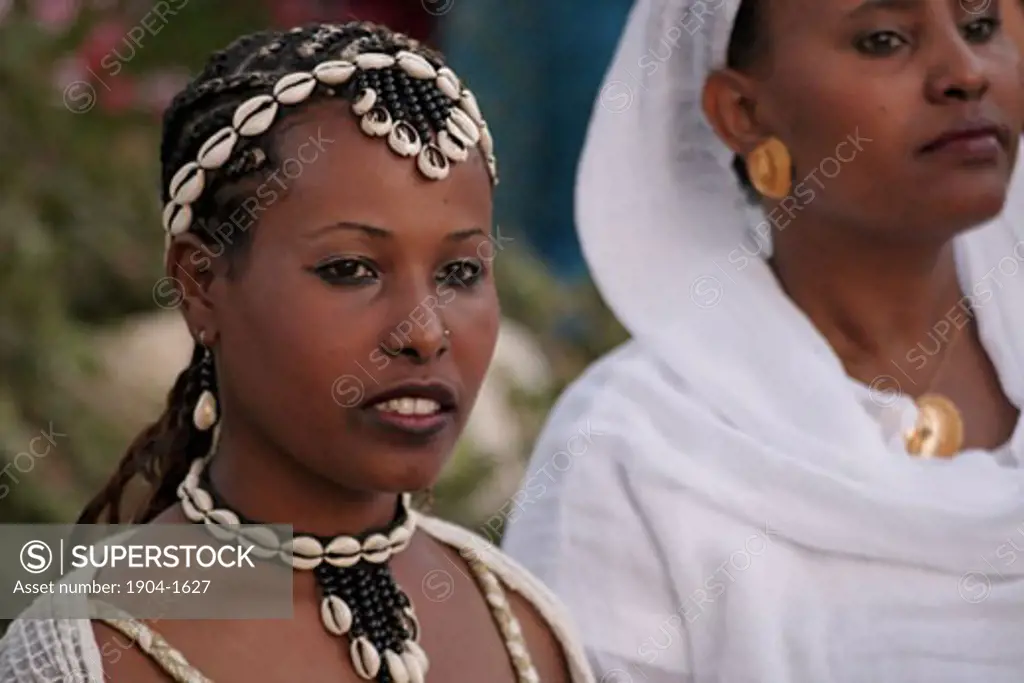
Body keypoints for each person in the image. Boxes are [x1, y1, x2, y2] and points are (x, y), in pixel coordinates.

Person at [0, 21, 593, 683]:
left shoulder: (521, 626)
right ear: (200, 284)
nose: (425, 332)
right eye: (350, 268)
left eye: (460, 273)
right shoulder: (101, 651)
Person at [502, 0, 1024, 681]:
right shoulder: (633, 451)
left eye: (981, 26)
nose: (963, 72)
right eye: (885, 39)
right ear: (741, 114)